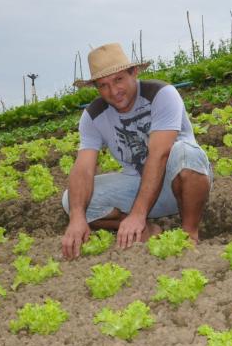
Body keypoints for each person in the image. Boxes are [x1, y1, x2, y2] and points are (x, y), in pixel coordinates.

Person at [60, 43, 212, 260]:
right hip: (136, 186)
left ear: (134, 73)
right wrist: (76, 217)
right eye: (103, 85)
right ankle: (146, 230)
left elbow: (160, 154)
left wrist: (138, 213)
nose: (113, 92)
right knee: (71, 201)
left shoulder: (161, 94)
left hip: (178, 183)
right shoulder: (93, 116)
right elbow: (83, 169)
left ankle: (189, 234)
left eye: (119, 79)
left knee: (187, 153)